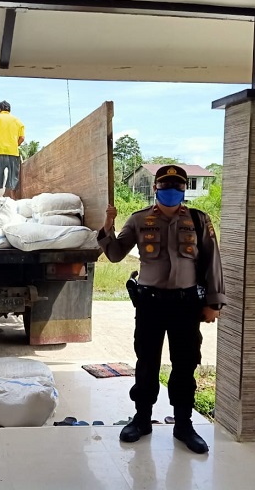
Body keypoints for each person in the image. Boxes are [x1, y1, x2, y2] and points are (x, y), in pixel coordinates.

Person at [98, 164, 226, 454]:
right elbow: (115, 254)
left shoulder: (199, 219)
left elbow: (212, 261)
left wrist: (213, 303)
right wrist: (108, 225)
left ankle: (184, 424)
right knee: (147, 362)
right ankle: (142, 419)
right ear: (155, 188)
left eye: (177, 187)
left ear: (184, 190)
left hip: (186, 304)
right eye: (165, 187)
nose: (171, 192)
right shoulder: (139, 219)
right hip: (150, 303)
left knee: (185, 364)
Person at [0, 100, 25, 199]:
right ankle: (13, 198)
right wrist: (15, 145)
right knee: (13, 177)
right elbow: (22, 138)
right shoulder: (18, 121)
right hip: (13, 153)